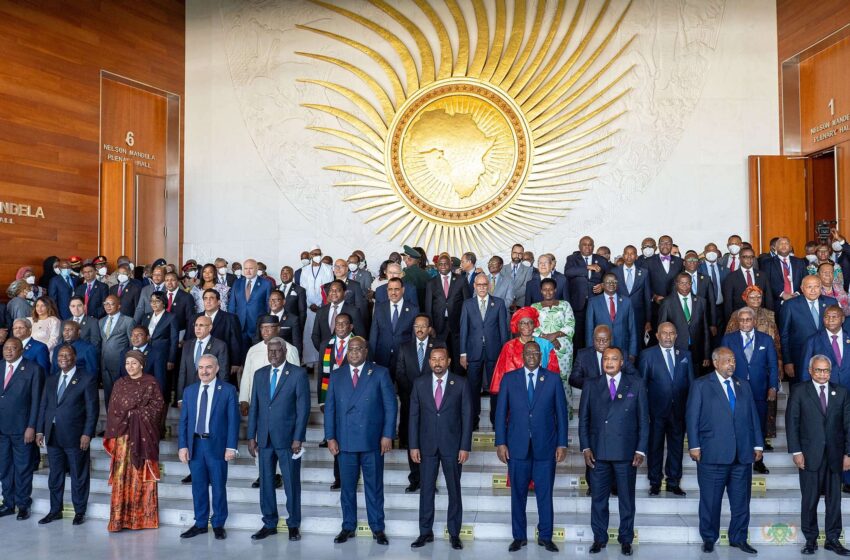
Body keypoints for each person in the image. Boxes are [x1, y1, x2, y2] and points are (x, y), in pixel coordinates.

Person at [686, 347, 763, 554]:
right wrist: (694, 445)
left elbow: (753, 416)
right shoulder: (701, 385)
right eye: (727, 360)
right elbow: (692, 417)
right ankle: (709, 538)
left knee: (741, 502)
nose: (732, 364)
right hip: (712, 454)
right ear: (716, 363)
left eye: (733, 360)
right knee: (710, 501)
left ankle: (738, 537)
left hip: (742, 454)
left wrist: (758, 444)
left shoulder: (743, 385)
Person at [494, 340, 568, 552]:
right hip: (517, 447)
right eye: (529, 352)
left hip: (545, 446)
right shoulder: (509, 379)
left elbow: (561, 415)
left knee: (545, 494)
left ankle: (546, 536)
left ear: (541, 356)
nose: (532, 356)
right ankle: (519, 537)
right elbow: (501, 414)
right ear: (522, 355)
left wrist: (562, 443)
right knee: (518, 494)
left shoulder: (553, 379)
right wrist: (501, 442)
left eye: (536, 353)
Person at [324, 336, 397, 545]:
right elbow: (330, 409)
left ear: (366, 351)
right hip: (345, 440)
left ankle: (377, 528)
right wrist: (330, 437)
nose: (354, 353)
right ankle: (348, 526)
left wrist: (387, 435)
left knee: (374, 487)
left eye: (358, 349)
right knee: (347, 487)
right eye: (351, 349)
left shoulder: (380, 372)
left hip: (372, 441)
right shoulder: (337, 376)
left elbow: (391, 406)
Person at [580, 347, 649, 556]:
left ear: (622, 363)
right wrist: (585, 447)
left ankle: (626, 539)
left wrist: (641, 449)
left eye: (614, 359)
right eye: (606, 359)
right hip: (598, 453)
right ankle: (599, 538)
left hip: (626, 454)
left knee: (626, 500)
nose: (609, 362)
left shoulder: (635, 384)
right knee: (598, 500)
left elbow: (644, 420)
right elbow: (583, 420)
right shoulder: (591, 384)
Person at [409, 343, 472, 550]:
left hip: (453, 447)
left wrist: (465, 447)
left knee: (454, 490)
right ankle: (425, 532)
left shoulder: (461, 383)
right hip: (426, 446)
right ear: (429, 362)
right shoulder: (419, 383)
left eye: (441, 359)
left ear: (448, 361)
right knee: (426, 489)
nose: (437, 363)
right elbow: (414, 417)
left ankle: (454, 533)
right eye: (434, 359)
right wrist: (413, 446)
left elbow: (466, 417)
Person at [246, 338, 311, 541]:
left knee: (291, 483)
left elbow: (303, 409)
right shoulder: (260, 374)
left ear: (284, 351)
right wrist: (251, 436)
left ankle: (293, 524)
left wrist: (298, 438)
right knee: (266, 483)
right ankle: (269, 523)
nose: (273, 355)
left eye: (276, 351)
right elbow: (255, 407)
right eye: (270, 351)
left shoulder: (298, 374)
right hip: (264, 439)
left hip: (288, 440)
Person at [786, 355, 850, 556]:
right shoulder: (798, 391)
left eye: (826, 371)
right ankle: (810, 540)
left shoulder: (841, 392)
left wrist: (848, 453)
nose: (823, 374)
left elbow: (848, 425)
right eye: (818, 370)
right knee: (810, 499)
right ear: (810, 370)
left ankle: (832, 539)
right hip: (808, 455)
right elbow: (792, 423)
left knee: (834, 501)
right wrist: (796, 451)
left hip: (835, 456)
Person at [177, 354, 239, 540]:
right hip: (195, 445)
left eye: (209, 367)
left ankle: (219, 523)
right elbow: (184, 421)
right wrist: (182, 446)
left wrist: (231, 447)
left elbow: (233, 422)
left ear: (217, 368)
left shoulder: (227, 390)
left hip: (217, 446)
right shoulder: (189, 391)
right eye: (201, 367)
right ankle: (201, 523)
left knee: (219, 486)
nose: (204, 371)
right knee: (198, 486)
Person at [35, 344, 98, 525]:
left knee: (78, 475)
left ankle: (79, 511)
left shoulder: (86, 379)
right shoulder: (51, 379)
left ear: (75, 357)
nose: (63, 358)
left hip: (76, 436)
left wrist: (87, 433)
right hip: (53, 435)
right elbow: (44, 406)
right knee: (55, 475)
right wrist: (40, 429)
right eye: (60, 355)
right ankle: (55, 510)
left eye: (67, 355)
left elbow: (92, 410)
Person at [103, 350, 165, 532]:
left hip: (143, 438)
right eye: (127, 363)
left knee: (140, 476)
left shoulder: (151, 383)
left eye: (134, 363)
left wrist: (135, 414)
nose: (130, 367)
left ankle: (141, 520)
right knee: (121, 476)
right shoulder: (119, 383)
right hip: (122, 439)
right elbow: (113, 410)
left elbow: (158, 407)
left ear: (141, 365)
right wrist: (127, 416)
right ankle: (118, 520)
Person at [239, 315, 300, 489]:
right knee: (260, 441)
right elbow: (247, 376)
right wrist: (244, 399)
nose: (265, 331)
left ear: (278, 329)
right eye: (263, 328)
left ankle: (281, 474)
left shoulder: (289, 349)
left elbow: (295, 378)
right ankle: (264, 475)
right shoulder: (254, 350)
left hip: (282, 408)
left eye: (270, 328)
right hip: (259, 405)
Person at [721, 307, 778, 473]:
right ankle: (736, 456)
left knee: (758, 424)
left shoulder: (766, 339)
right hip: (735, 389)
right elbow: (722, 365)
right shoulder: (728, 339)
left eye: (748, 319)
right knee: (735, 423)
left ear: (754, 321)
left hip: (759, 389)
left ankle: (758, 460)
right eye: (742, 320)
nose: (745, 322)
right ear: (738, 322)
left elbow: (773, 365)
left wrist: (773, 387)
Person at [639, 322, 693, 496]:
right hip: (655, 411)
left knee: (676, 447)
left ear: (676, 335)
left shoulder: (685, 355)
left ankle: (673, 481)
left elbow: (692, 385)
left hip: (679, 410)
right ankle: (655, 481)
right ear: (657, 335)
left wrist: (690, 410)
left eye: (671, 333)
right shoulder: (647, 355)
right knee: (654, 446)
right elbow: (642, 386)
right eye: (664, 333)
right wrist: (644, 412)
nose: (668, 336)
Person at [489, 307, 559, 425]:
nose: (526, 326)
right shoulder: (509, 347)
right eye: (522, 323)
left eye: (530, 322)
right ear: (518, 325)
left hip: (540, 396)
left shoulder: (545, 345)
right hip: (515, 399)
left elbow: (553, 374)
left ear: (535, 324)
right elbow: (500, 376)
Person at [0, 337, 44, 520]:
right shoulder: (0, 366)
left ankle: (23, 504)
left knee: (23, 468)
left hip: (22, 428)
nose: (9, 351)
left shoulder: (34, 369)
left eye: (13, 348)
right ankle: (8, 503)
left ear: (21, 350)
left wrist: (32, 426)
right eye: (6, 348)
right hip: (2, 428)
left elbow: (37, 401)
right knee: (4, 468)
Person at [460, 274, 509, 431]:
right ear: (474, 286)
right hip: (473, 353)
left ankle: (496, 421)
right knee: (473, 389)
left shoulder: (499, 303)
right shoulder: (467, 304)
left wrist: (505, 354)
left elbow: (503, 330)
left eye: (484, 284)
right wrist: (462, 353)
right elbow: (463, 330)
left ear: (489, 285)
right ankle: (473, 421)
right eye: (478, 284)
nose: (481, 287)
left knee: (496, 388)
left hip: (495, 353)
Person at [395, 313, 434, 493]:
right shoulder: (404, 347)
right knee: (413, 441)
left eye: (423, 326)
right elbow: (400, 373)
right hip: (410, 400)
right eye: (416, 326)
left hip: (433, 403)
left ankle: (429, 481)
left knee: (430, 442)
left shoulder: (438, 346)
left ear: (429, 328)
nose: (419, 329)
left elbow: (439, 373)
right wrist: (412, 394)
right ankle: (415, 479)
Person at [781, 275, 837, 381]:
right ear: (802, 288)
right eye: (809, 287)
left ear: (821, 288)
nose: (813, 290)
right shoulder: (790, 305)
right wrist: (787, 361)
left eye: (816, 286)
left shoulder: (831, 303)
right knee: (801, 391)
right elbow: (784, 335)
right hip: (799, 357)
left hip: (827, 357)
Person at [424, 254, 470, 370]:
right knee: (441, 355)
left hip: (457, 325)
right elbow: (428, 306)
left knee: (457, 355)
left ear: (451, 265)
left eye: (446, 263)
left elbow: (468, 304)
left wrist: (467, 324)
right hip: (438, 326)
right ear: (437, 266)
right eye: (440, 264)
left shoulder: (461, 280)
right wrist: (430, 326)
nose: (443, 266)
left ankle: (458, 379)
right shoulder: (431, 283)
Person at [185, 289, 242, 381]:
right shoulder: (195, 318)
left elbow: (235, 341)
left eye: (211, 298)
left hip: (222, 364)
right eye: (205, 298)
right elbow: (189, 339)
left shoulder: (230, 318)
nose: (208, 301)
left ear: (218, 301)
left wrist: (236, 362)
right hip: (198, 365)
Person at [658, 273, 711, 371]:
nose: (685, 286)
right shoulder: (667, 302)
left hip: (696, 351)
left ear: (691, 284)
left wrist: (706, 355)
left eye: (688, 283)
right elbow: (662, 329)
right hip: (676, 348)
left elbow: (705, 331)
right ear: (676, 284)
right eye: (682, 283)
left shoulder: (701, 302)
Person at [565, 236, 610, 349]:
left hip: (597, 303)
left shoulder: (601, 260)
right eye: (584, 244)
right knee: (578, 335)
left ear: (593, 247)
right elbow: (568, 272)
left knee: (596, 333)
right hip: (578, 304)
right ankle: (579, 362)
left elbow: (610, 277)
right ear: (579, 246)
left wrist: (604, 286)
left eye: (590, 245)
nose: (587, 247)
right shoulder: (572, 259)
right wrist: (587, 267)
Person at [176, 315, 230, 405]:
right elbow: (182, 372)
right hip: (190, 394)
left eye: (201, 325)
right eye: (196, 325)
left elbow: (223, 373)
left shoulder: (220, 345)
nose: (197, 328)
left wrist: (221, 395)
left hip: (211, 393)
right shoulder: (187, 345)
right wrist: (180, 397)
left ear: (210, 327)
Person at [369, 278, 418, 374]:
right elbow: (374, 334)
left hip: (403, 357)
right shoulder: (379, 308)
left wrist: (412, 357)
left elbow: (414, 336)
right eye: (390, 289)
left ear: (403, 290)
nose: (393, 292)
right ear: (387, 290)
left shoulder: (413, 309)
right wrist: (371, 357)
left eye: (397, 289)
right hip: (382, 356)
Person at [531, 277, 576, 382]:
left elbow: (570, 325)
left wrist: (554, 335)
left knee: (563, 377)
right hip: (542, 346)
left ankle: (564, 398)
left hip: (562, 347)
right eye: (545, 289)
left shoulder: (565, 305)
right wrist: (548, 338)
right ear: (541, 291)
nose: (548, 292)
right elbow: (532, 327)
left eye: (550, 289)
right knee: (543, 377)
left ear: (555, 290)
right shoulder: (534, 307)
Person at [586, 273, 638, 362]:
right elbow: (589, 329)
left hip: (622, 349)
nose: (611, 284)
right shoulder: (593, 302)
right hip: (601, 349)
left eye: (614, 282)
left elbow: (632, 328)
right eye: (608, 282)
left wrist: (632, 352)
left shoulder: (627, 302)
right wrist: (590, 352)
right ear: (602, 285)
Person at [99, 295, 136, 413]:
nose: (108, 306)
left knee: (121, 396)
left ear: (119, 306)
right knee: (108, 396)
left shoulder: (128, 321)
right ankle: (110, 426)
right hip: (104, 364)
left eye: (111, 304)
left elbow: (132, 344)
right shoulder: (101, 321)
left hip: (120, 366)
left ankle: (121, 426)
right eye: (106, 304)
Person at [613, 245, 652, 349]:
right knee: (620, 342)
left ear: (636, 256)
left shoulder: (644, 273)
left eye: (632, 253)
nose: (629, 256)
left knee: (637, 343)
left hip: (638, 315)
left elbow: (647, 297)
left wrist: (648, 320)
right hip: (619, 314)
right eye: (626, 253)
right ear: (623, 255)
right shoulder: (615, 272)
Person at [311, 280, 367, 352]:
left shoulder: (353, 311)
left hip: (347, 356)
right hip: (326, 355)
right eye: (331, 290)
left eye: (338, 290)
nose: (334, 292)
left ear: (344, 293)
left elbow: (360, 336)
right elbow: (315, 335)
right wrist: (322, 350)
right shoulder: (321, 311)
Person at [228, 259, 271, 354]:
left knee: (258, 354)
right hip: (240, 325)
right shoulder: (237, 282)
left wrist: (265, 324)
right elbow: (232, 304)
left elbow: (269, 305)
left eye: (251, 268)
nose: (248, 271)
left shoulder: (266, 283)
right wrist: (231, 322)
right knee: (242, 354)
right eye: (246, 268)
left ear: (256, 269)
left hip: (258, 326)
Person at [140, 292, 178, 392]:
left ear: (164, 302)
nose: (154, 303)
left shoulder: (171, 317)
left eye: (157, 301)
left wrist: (171, 359)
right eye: (152, 301)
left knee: (160, 383)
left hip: (162, 355)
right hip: (147, 355)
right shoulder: (146, 316)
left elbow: (174, 340)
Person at [722, 247, 773, 318]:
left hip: (760, 317)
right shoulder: (731, 277)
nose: (749, 260)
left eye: (752, 257)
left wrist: (769, 317)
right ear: (739, 258)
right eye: (745, 257)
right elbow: (728, 302)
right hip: (740, 318)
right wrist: (730, 320)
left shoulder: (762, 275)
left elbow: (768, 298)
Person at [324, 259, 369, 323]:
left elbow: (361, 308)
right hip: (330, 321)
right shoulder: (327, 286)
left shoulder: (355, 285)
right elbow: (323, 309)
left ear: (347, 269)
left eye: (341, 266)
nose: (338, 269)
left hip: (349, 322)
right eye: (336, 266)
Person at [765, 236, 807, 304]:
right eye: (781, 244)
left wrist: (797, 293)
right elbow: (766, 283)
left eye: (786, 243)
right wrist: (782, 294)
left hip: (798, 300)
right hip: (778, 302)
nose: (784, 245)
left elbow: (806, 280)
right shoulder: (768, 263)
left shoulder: (800, 262)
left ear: (790, 248)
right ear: (775, 247)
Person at [278, 266, 307, 335]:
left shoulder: (300, 290)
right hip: (276, 326)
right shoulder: (274, 288)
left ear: (293, 275)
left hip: (291, 327)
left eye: (287, 272)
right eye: (282, 272)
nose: (284, 274)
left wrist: (299, 329)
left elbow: (302, 312)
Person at [507, 243, 533, 310]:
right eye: (515, 253)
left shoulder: (528, 270)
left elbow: (525, 286)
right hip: (504, 304)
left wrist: (513, 296)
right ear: (511, 253)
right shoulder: (502, 269)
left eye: (520, 253)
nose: (517, 256)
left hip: (520, 305)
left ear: (523, 255)